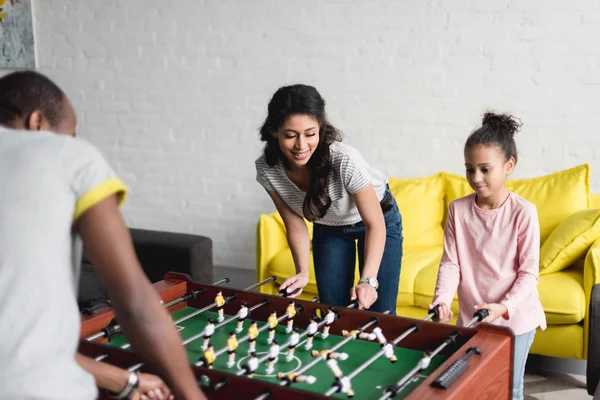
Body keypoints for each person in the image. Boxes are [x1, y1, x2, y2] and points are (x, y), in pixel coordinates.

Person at [0, 70, 206, 399]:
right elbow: (135, 302)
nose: (73, 142)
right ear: (37, 123)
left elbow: (17, 342)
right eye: (71, 134)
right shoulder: (66, 155)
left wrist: (125, 381)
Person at [255, 84, 403, 313]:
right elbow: (294, 223)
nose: (301, 146)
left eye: (310, 134)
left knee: (381, 313)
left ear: (321, 129)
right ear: (274, 131)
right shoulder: (267, 169)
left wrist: (368, 281)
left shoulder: (344, 159)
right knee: (333, 312)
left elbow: (375, 224)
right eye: (290, 135)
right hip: (329, 227)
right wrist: (302, 272)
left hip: (377, 221)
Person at [429, 112, 546, 400]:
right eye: (470, 169)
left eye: (485, 169)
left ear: (508, 166)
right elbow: (451, 263)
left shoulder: (524, 212)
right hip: (474, 317)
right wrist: (442, 299)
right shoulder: (458, 210)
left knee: (509, 388)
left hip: (515, 320)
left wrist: (502, 307)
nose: (476, 178)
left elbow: (528, 274)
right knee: (474, 386)